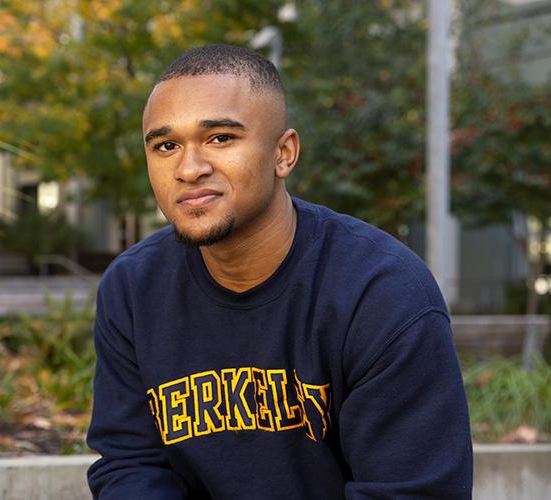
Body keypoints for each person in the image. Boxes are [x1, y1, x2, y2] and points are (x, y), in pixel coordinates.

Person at [86, 44, 472, 499]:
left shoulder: (381, 292)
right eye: (167, 146)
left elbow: (412, 492)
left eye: (221, 138)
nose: (188, 169)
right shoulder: (133, 288)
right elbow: (131, 466)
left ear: (284, 153)